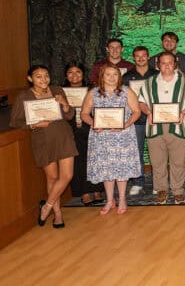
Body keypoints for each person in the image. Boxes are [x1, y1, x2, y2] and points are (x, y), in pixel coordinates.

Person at [11, 65, 78, 228]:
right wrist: (35, 124)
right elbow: (15, 121)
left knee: (67, 176)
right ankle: (57, 215)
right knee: (52, 178)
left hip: (63, 136)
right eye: (38, 76)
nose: (43, 79)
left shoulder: (57, 90)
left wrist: (65, 104)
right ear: (30, 79)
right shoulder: (23, 96)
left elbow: (70, 115)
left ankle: (47, 206)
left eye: (46, 75)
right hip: (42, 141)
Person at [81, 64, 141, 215]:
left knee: (121, 168)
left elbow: (136, 111)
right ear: (102, 76)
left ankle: (121, 199)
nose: (112, 77)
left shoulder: (127, 91)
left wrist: (125, 125)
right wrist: (93, 124)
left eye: (115, 74)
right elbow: (84, 114)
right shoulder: (93, 93)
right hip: (101, 137)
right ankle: (109, 200)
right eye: (108, 74)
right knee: (106, 169)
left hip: (123, 136)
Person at [138, 52, 185, 205]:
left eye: (170, 62)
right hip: (154, 126)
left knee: (178, 161)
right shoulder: (149, 82)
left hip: (177, 126)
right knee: (157, 161)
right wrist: (148, 112)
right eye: (163, 63)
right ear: (158, 65)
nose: (167, 66)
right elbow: (141, 103)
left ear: (175, 63)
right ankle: (161, 190)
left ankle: (177, 191)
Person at [63, 62, 104, 205]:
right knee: (78, 162)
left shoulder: (92, 90)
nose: (74, 75)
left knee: (94, 160)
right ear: (66, 75)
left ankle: (97, 189)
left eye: (78, 72)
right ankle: (84, 192)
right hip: (71, 130)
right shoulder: (61, 92)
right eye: (70, 72)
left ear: (83, 74)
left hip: (91, 128)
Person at [122, 46, 158, 196]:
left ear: (148, 57)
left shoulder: (157, 75)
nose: (141, 58)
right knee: (136, 152)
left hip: (154, 118)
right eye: (138, 56)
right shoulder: (126, 77)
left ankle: (158, 183)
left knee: (156, 153)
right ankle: (138, 181)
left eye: (144, 56)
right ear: (133, 58)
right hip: (136, 120)